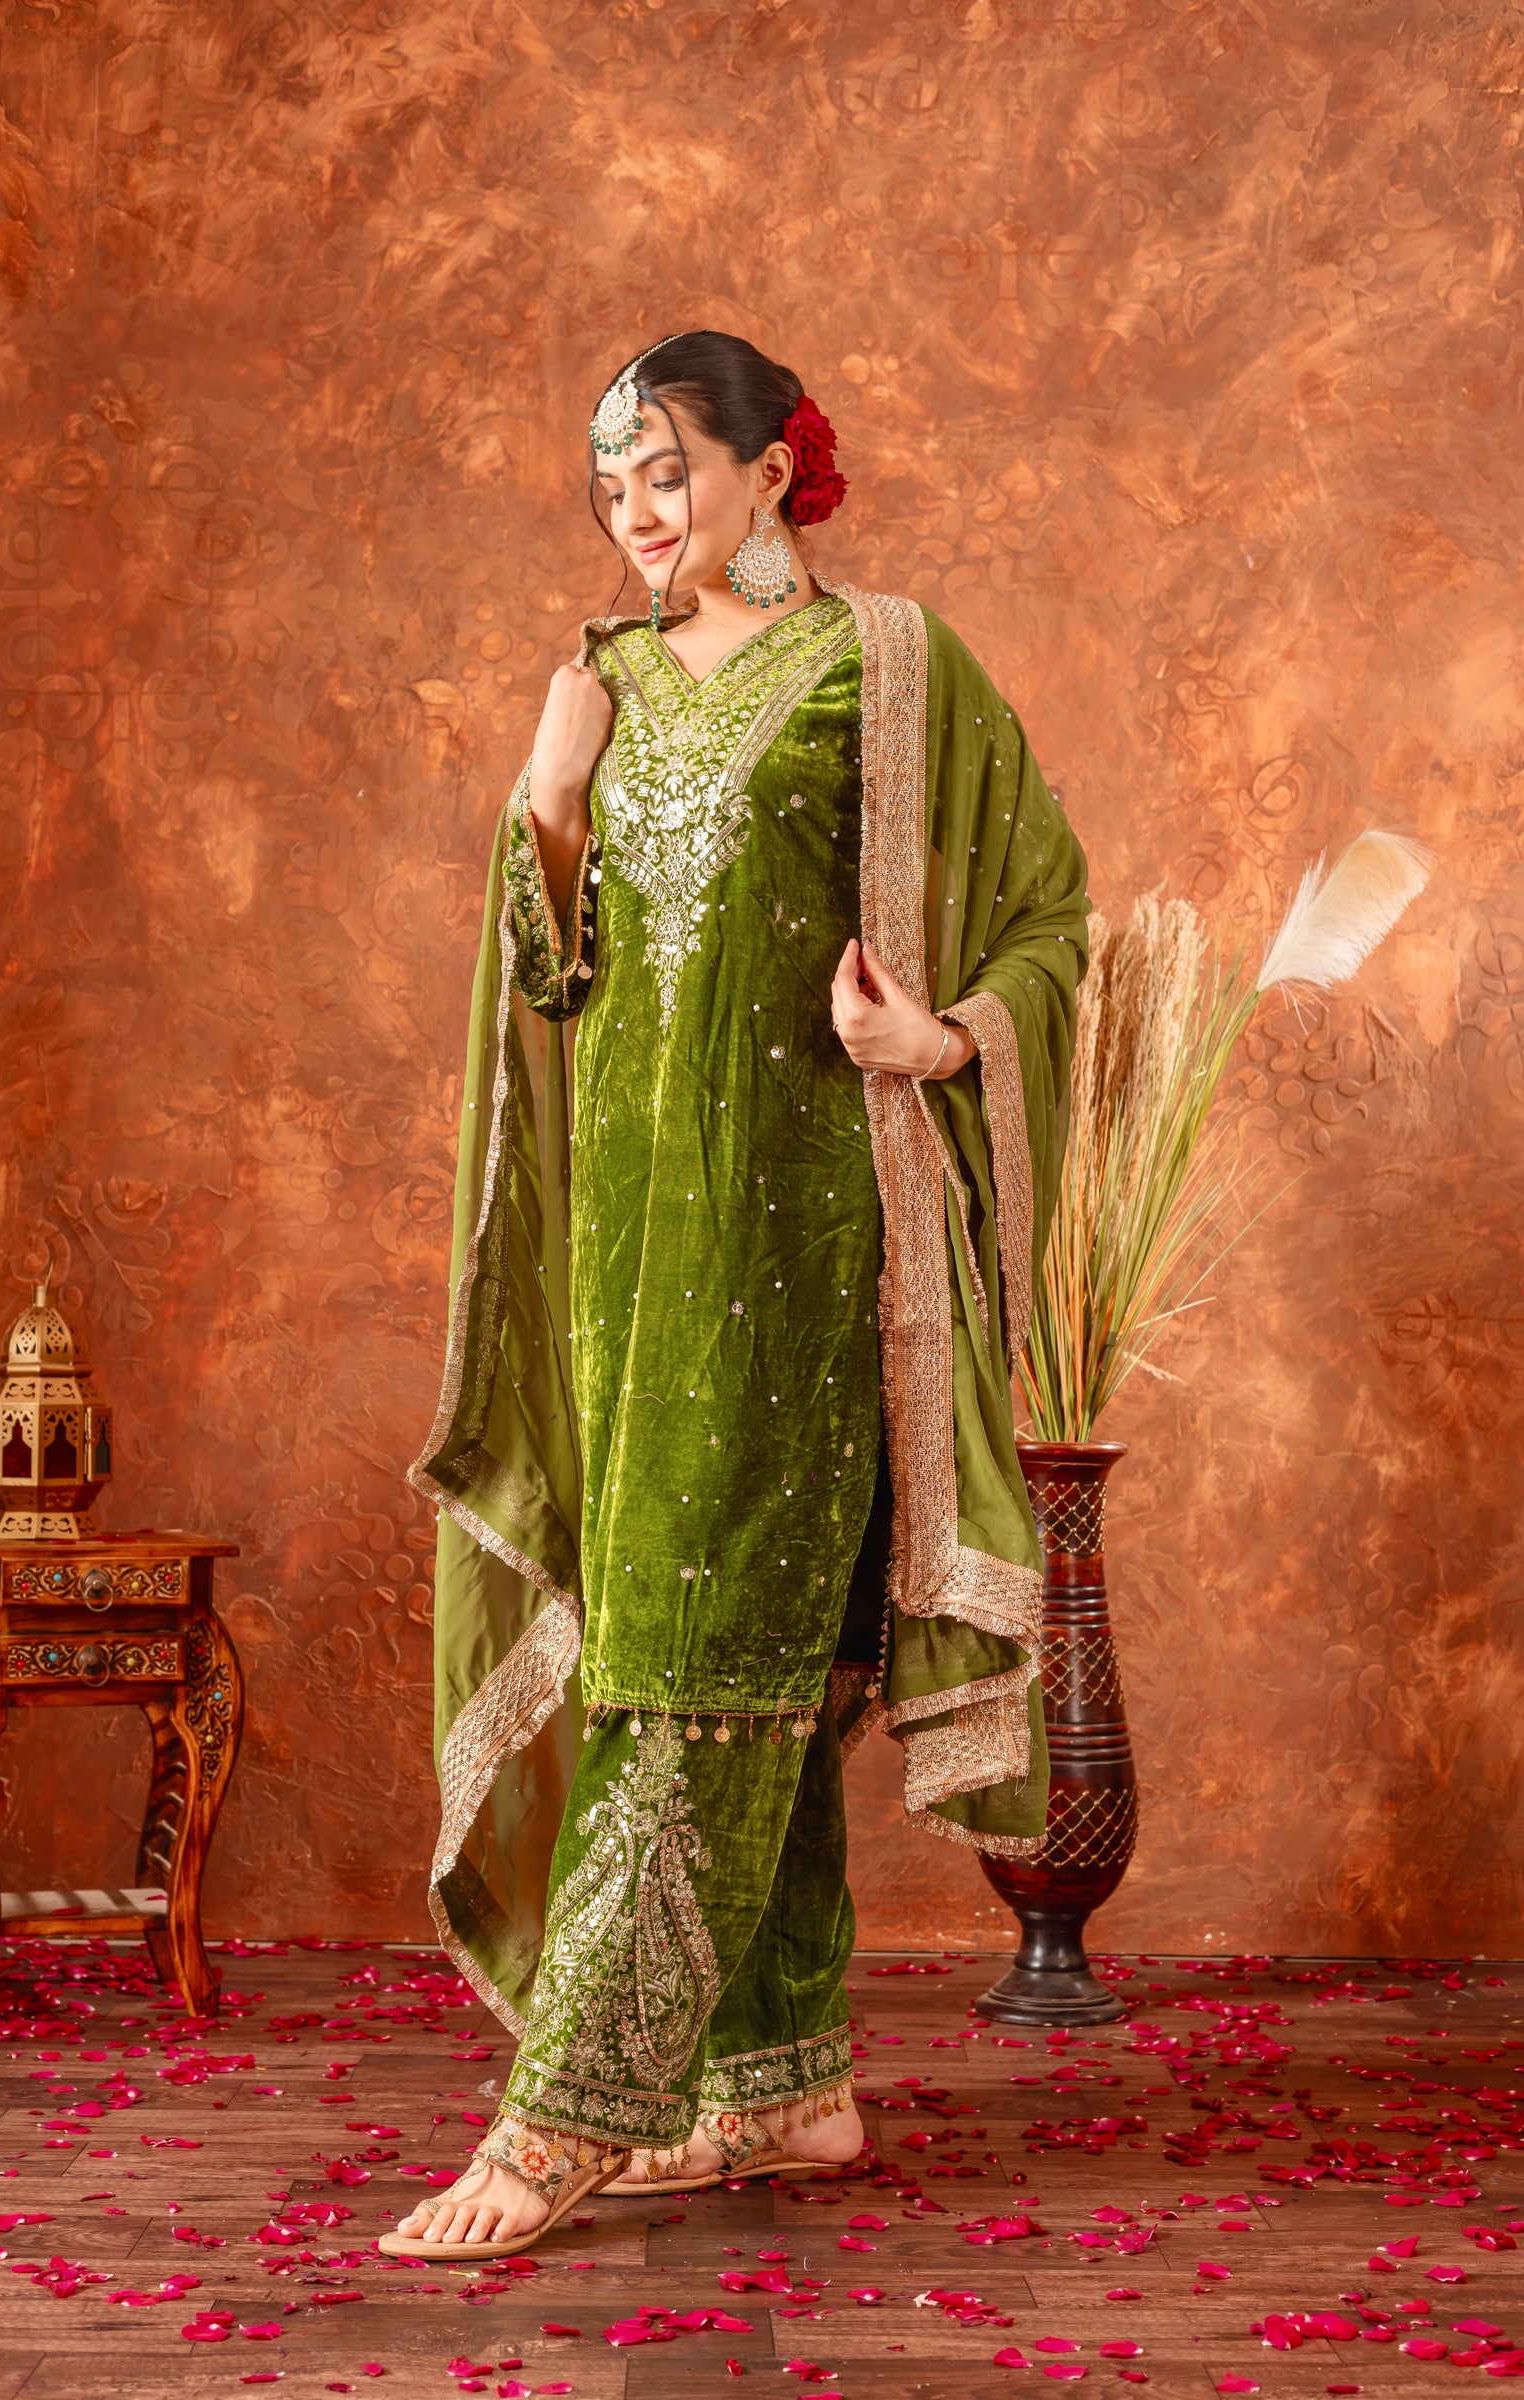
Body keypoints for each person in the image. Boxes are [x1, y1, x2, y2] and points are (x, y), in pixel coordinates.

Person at [382, 331, 1091, 2260]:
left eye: (670, 473)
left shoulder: (890, 665)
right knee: (678, 1641)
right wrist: (543, 808)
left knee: (703, 1660)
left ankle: (566, 2119)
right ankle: (780, 2083)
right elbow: (551, 990)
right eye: (610, 487)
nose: (637, 517)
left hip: (799, 1248)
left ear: (781, 469)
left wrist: (945, 1039)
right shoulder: (597, 684)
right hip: (624, 1247)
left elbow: (1047, 903)